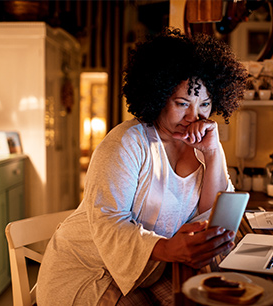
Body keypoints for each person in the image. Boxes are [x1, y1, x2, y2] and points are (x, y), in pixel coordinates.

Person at [37, 28, 248, 305]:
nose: (194, 116)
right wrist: (167, 248)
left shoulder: (203, 145)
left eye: (205, 104)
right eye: (182, 103)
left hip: (150, 269)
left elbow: (212, 213)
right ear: (158, 96)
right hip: (88, 271)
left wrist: (212, 154)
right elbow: (109, 222)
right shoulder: (126, 143)